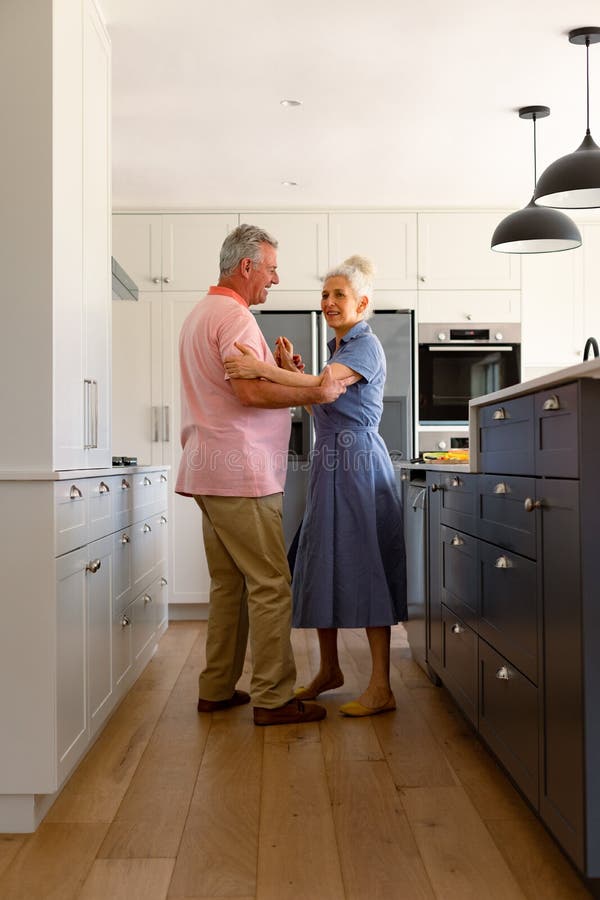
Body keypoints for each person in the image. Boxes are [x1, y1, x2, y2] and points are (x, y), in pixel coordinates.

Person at [175, 224, 347, 727]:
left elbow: (234, 384)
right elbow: (248, 394)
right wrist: (312, 391)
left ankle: (216, 688)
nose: (276, 277)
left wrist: (277, 368)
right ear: (247, 266)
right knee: (272, 583)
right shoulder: (236, 318)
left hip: (207, 470)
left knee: (230, 585)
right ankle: (274, 698)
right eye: (271, 268)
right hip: (241, 474)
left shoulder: (201, 314)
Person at [224, 255, 407, 717]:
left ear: (362, 303)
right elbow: (321, 405)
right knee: (321, 562)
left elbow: (324, 387)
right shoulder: (339, 348)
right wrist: (288, 367)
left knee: (366, 568)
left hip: (359, 466)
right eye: (324, 294)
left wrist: (264, 370)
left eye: (338, 295)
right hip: (332, 466)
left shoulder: (363, 346)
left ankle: (382, 688)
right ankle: (330, 670)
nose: (328, 302)